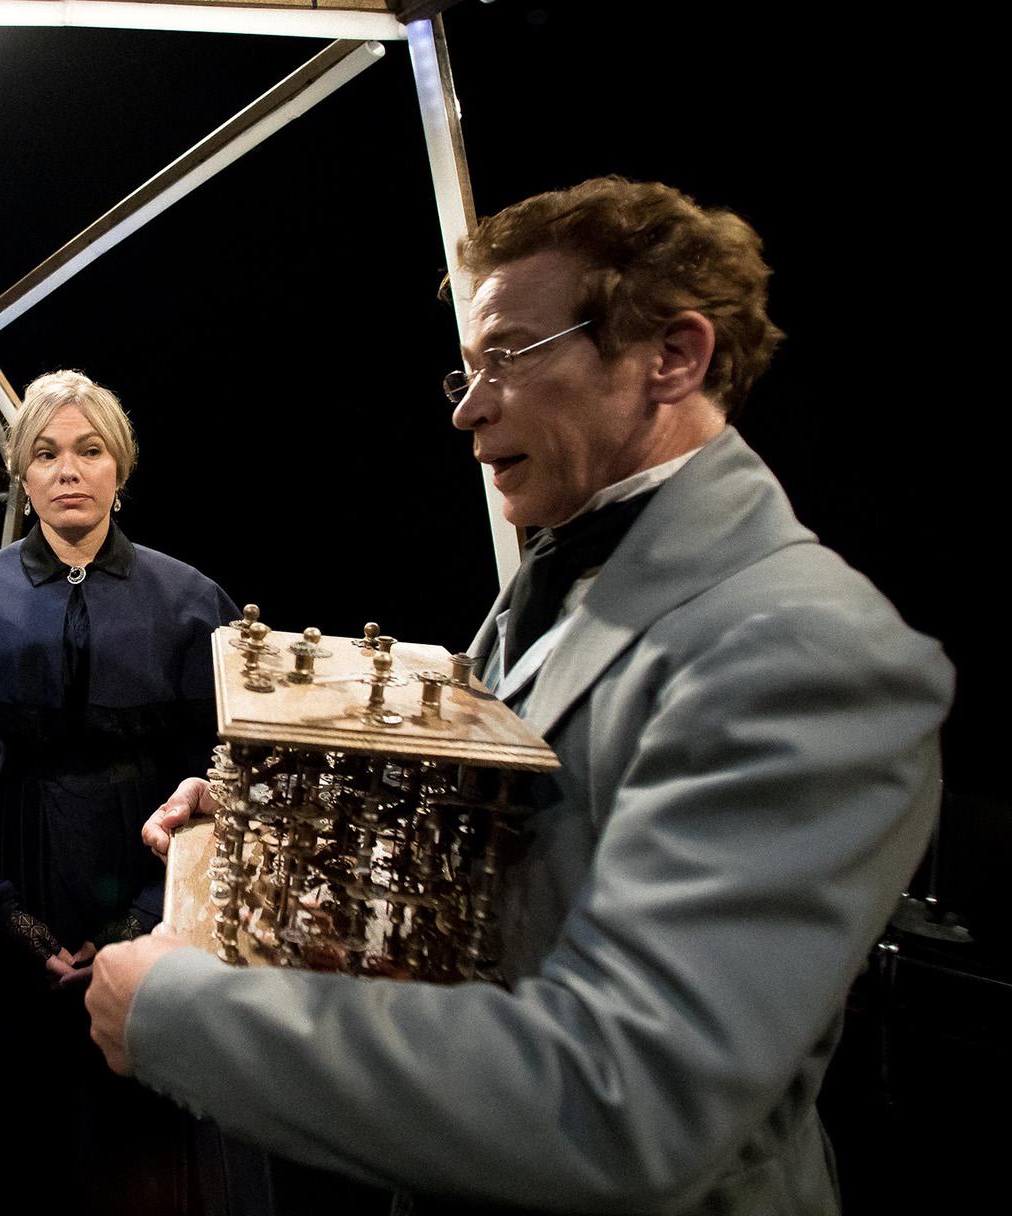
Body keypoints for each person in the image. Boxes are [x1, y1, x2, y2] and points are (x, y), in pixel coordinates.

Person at [86, 178, 955, 1214]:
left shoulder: (813, 650)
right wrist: (289, 822)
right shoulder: (553, 582)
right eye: (466, 366)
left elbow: (623, 1099)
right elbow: (498, 849)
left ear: (672, 356)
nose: (467, 406)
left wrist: (184, 1018)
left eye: (507, 356)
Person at [0, 371, 241, 1215]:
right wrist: (7, 916)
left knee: (139, 1141)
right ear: (21, 474)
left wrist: (145, 916)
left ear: (120, 468)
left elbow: (226, 778)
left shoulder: (191, 602)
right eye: (45, 454)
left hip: (148, 871)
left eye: (89, 451)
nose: (68, 471)